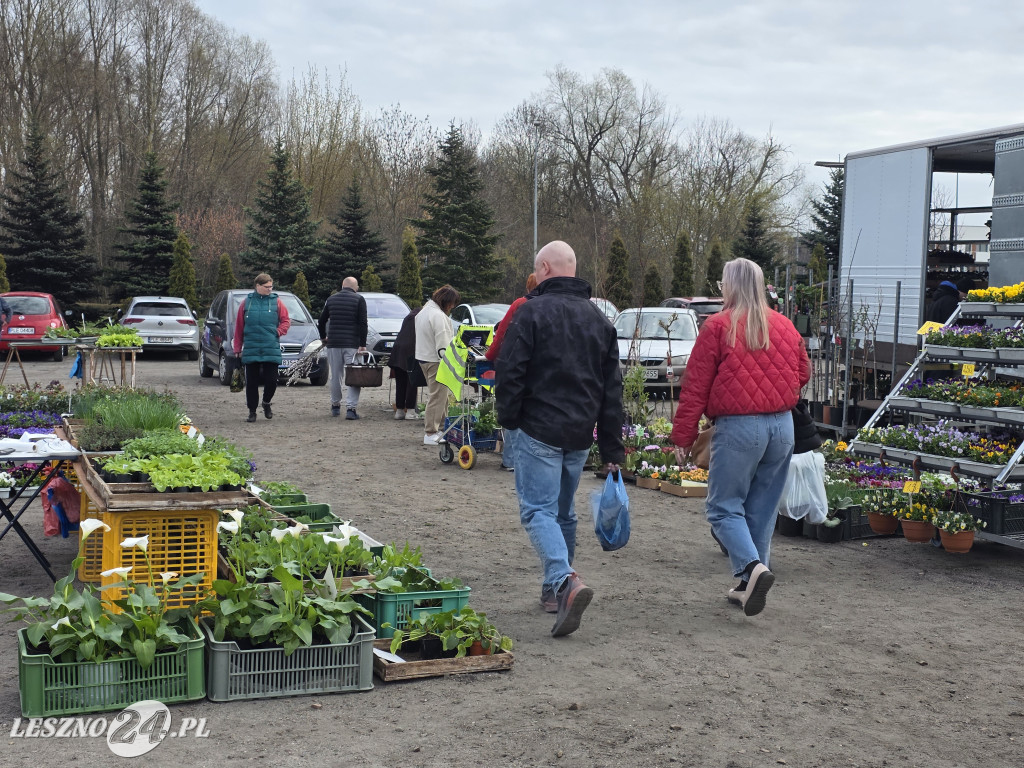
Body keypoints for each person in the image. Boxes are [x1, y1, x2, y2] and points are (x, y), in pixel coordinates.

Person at [496, 240, 624, 637]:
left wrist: (509, 419)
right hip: (579, 432)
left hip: (539, 427)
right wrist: (611, 447)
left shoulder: (530, 312)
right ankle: (554, 591)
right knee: (563, 513)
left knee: (538, 511)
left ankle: (565, 580)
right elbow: (612, 390)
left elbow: (510, 371)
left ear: (545, 269)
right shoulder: (600, 321)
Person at [671, 257, 809, 617]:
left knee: (722, 507)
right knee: (761, 509)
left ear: (729, 286)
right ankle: (750, 584)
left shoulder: (718, 326)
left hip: (739, 427)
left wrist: (683, 435)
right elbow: (803, 373)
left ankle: (752, 568)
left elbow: (695, 386)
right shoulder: (784, 325)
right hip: (782, 426)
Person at [486, 273, 538, 471]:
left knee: (513, 410)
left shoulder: (520, 304)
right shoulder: (552, 305)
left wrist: (490, 355)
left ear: (528, 287)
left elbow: (501, 333)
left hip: (516, 366)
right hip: (540, 370)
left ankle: (510, 460)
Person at [233, 273, 291, 423]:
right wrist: (237, 349)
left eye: (271, 286)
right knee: (251, 383)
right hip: (251, 347)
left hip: (270, 347)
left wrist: (278, 332)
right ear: (257, 286)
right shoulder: (246, 303)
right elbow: (239, 327)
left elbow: (286, 321)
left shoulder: (277, 302)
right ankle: (252, 411)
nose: (270, 289)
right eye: (267, 287)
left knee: (272, 380)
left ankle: (266, 402)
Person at [317, 276, 368, 420]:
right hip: (352, 344)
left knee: (335, 376)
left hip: (333, 343)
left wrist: (324, 337)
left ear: (342, 285)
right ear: (355, 287)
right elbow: (363, 323)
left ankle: (335, 405)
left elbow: (321, 321)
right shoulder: (359, 299)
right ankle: (351, 409)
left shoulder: (331, 299)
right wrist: (362, 344)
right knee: (354, 375)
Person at [415, 285, 460, 444]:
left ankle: (441, 428)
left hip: (424, 358)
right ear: (446, 301)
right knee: (437, 397)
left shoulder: (423, 312)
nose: (452, 306)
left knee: (441, 396)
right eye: (452, 303)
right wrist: (448, 362)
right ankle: (431, 432)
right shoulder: (438, 316)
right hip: (437, 360)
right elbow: (443, 342)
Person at [389, 306, 422, 420]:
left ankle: (399, 411)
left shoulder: (408, 318)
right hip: (410, 351)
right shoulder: (420, 318)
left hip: (397, 351)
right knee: (411, 383)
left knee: (400, 383)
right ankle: (410, 412)